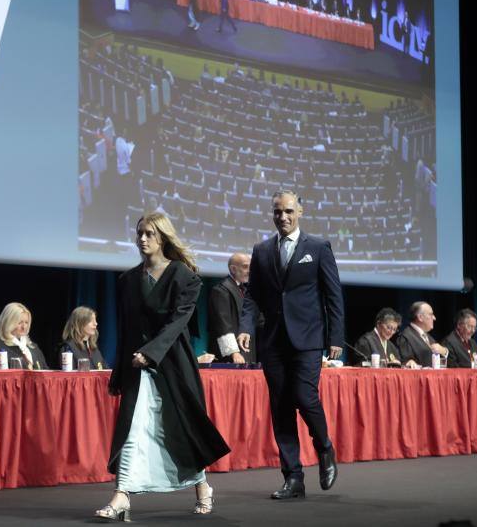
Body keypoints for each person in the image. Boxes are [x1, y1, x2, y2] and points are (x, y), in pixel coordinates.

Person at [95, 213, 230, 520]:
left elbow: (177, 322)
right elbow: (126, 329)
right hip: (136, 367)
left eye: (149, 234)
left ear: (163, 238)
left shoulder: (185, 277)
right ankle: (121, 496)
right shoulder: (127, 280)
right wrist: (120, 371)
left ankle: (202, 487)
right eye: (139, 233)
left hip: (173, 364)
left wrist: (151, 353)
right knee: (133, 429)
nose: (142, 239)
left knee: (181, 429)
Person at [238, 191, 344, 499]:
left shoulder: (319, 247)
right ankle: (293, 477)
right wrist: (245, 327)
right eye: (277, 212)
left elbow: (333, 295)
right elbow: (253, 295)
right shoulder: (261, 250)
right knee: (281, 406)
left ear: (300, 211)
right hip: (272, 341)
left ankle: (324, 447)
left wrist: (335, 337)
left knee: (304, 396)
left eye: (287, 211)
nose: (282, 217)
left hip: (308, 338)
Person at [208, 253, 259, 364]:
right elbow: (222, 324)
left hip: (248, 352)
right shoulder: (221, 291)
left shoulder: (247, 290)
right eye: (245, 267)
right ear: (233, 269)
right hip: (230, 356)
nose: (249, 271)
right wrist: (233, 352)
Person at [0, 302, 49, 370]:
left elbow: (46, 372)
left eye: (26, 322)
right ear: (8, 322)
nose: (24, 327)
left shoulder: (33, 347)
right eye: (20, 322)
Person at [395, 302, 449, 368]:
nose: (434, 318)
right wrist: (408, 362)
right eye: (431, 314)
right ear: (420, 317)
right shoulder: (406, 337)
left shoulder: (427, 336)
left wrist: (444, 351)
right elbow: (405, 362)